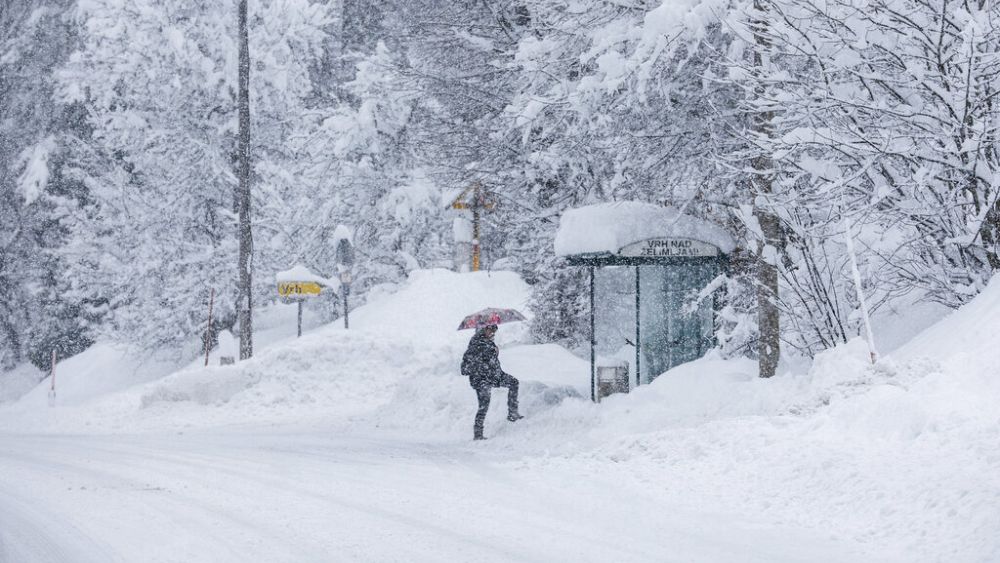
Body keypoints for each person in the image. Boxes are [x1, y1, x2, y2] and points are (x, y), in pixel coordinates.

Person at [461, 324, 523, 440]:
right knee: (484, 405)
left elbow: (492, 361)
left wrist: (495, 352)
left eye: (495, 330)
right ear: (483, 330)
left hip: (495, 376)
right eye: (491, 330)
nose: (493, 332)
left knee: (514, 382)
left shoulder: (489, 343)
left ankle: (512, 413)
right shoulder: (474, 347)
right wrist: (480, 364)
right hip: (481, 380)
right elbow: (464, 370)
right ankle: (478, 433)